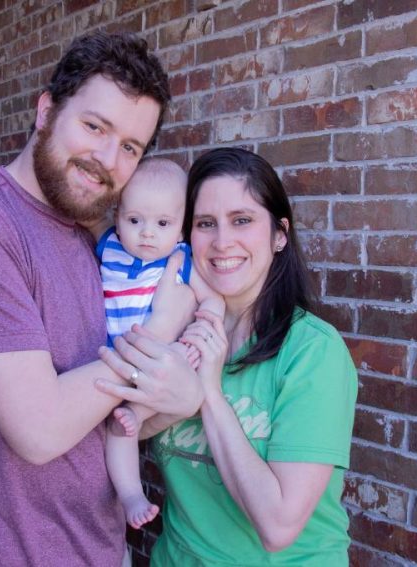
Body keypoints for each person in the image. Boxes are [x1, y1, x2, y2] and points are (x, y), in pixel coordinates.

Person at [0, 32, 204, 566]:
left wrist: (179, 399)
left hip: (98, 548)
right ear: (46, 112)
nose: (107, 159)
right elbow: (40, 430)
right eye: (95, 126)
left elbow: (104, 417)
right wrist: (159, 329)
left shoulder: (95, 241)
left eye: (130, 147)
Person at [96, 147, 358, 565]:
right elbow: (125, 429)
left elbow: (278, 528)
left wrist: (209, 394)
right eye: (205, 223)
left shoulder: (312, 352)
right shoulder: (176, 333)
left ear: (279, 234)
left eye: (242, 220)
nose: (222, 242)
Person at [88, 158, 222, 529]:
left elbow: (212, 300)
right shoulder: (109, 246)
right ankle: (131, 495)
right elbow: (88, 219)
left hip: (157, 365)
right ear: (118, 218)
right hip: (114, 360)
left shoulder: (180, 260)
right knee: (119, 428)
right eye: (135, 220)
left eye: (162, 224)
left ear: (180, 228)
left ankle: (137, 423)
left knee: (125, 424)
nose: (147, 233)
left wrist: (202, 327)